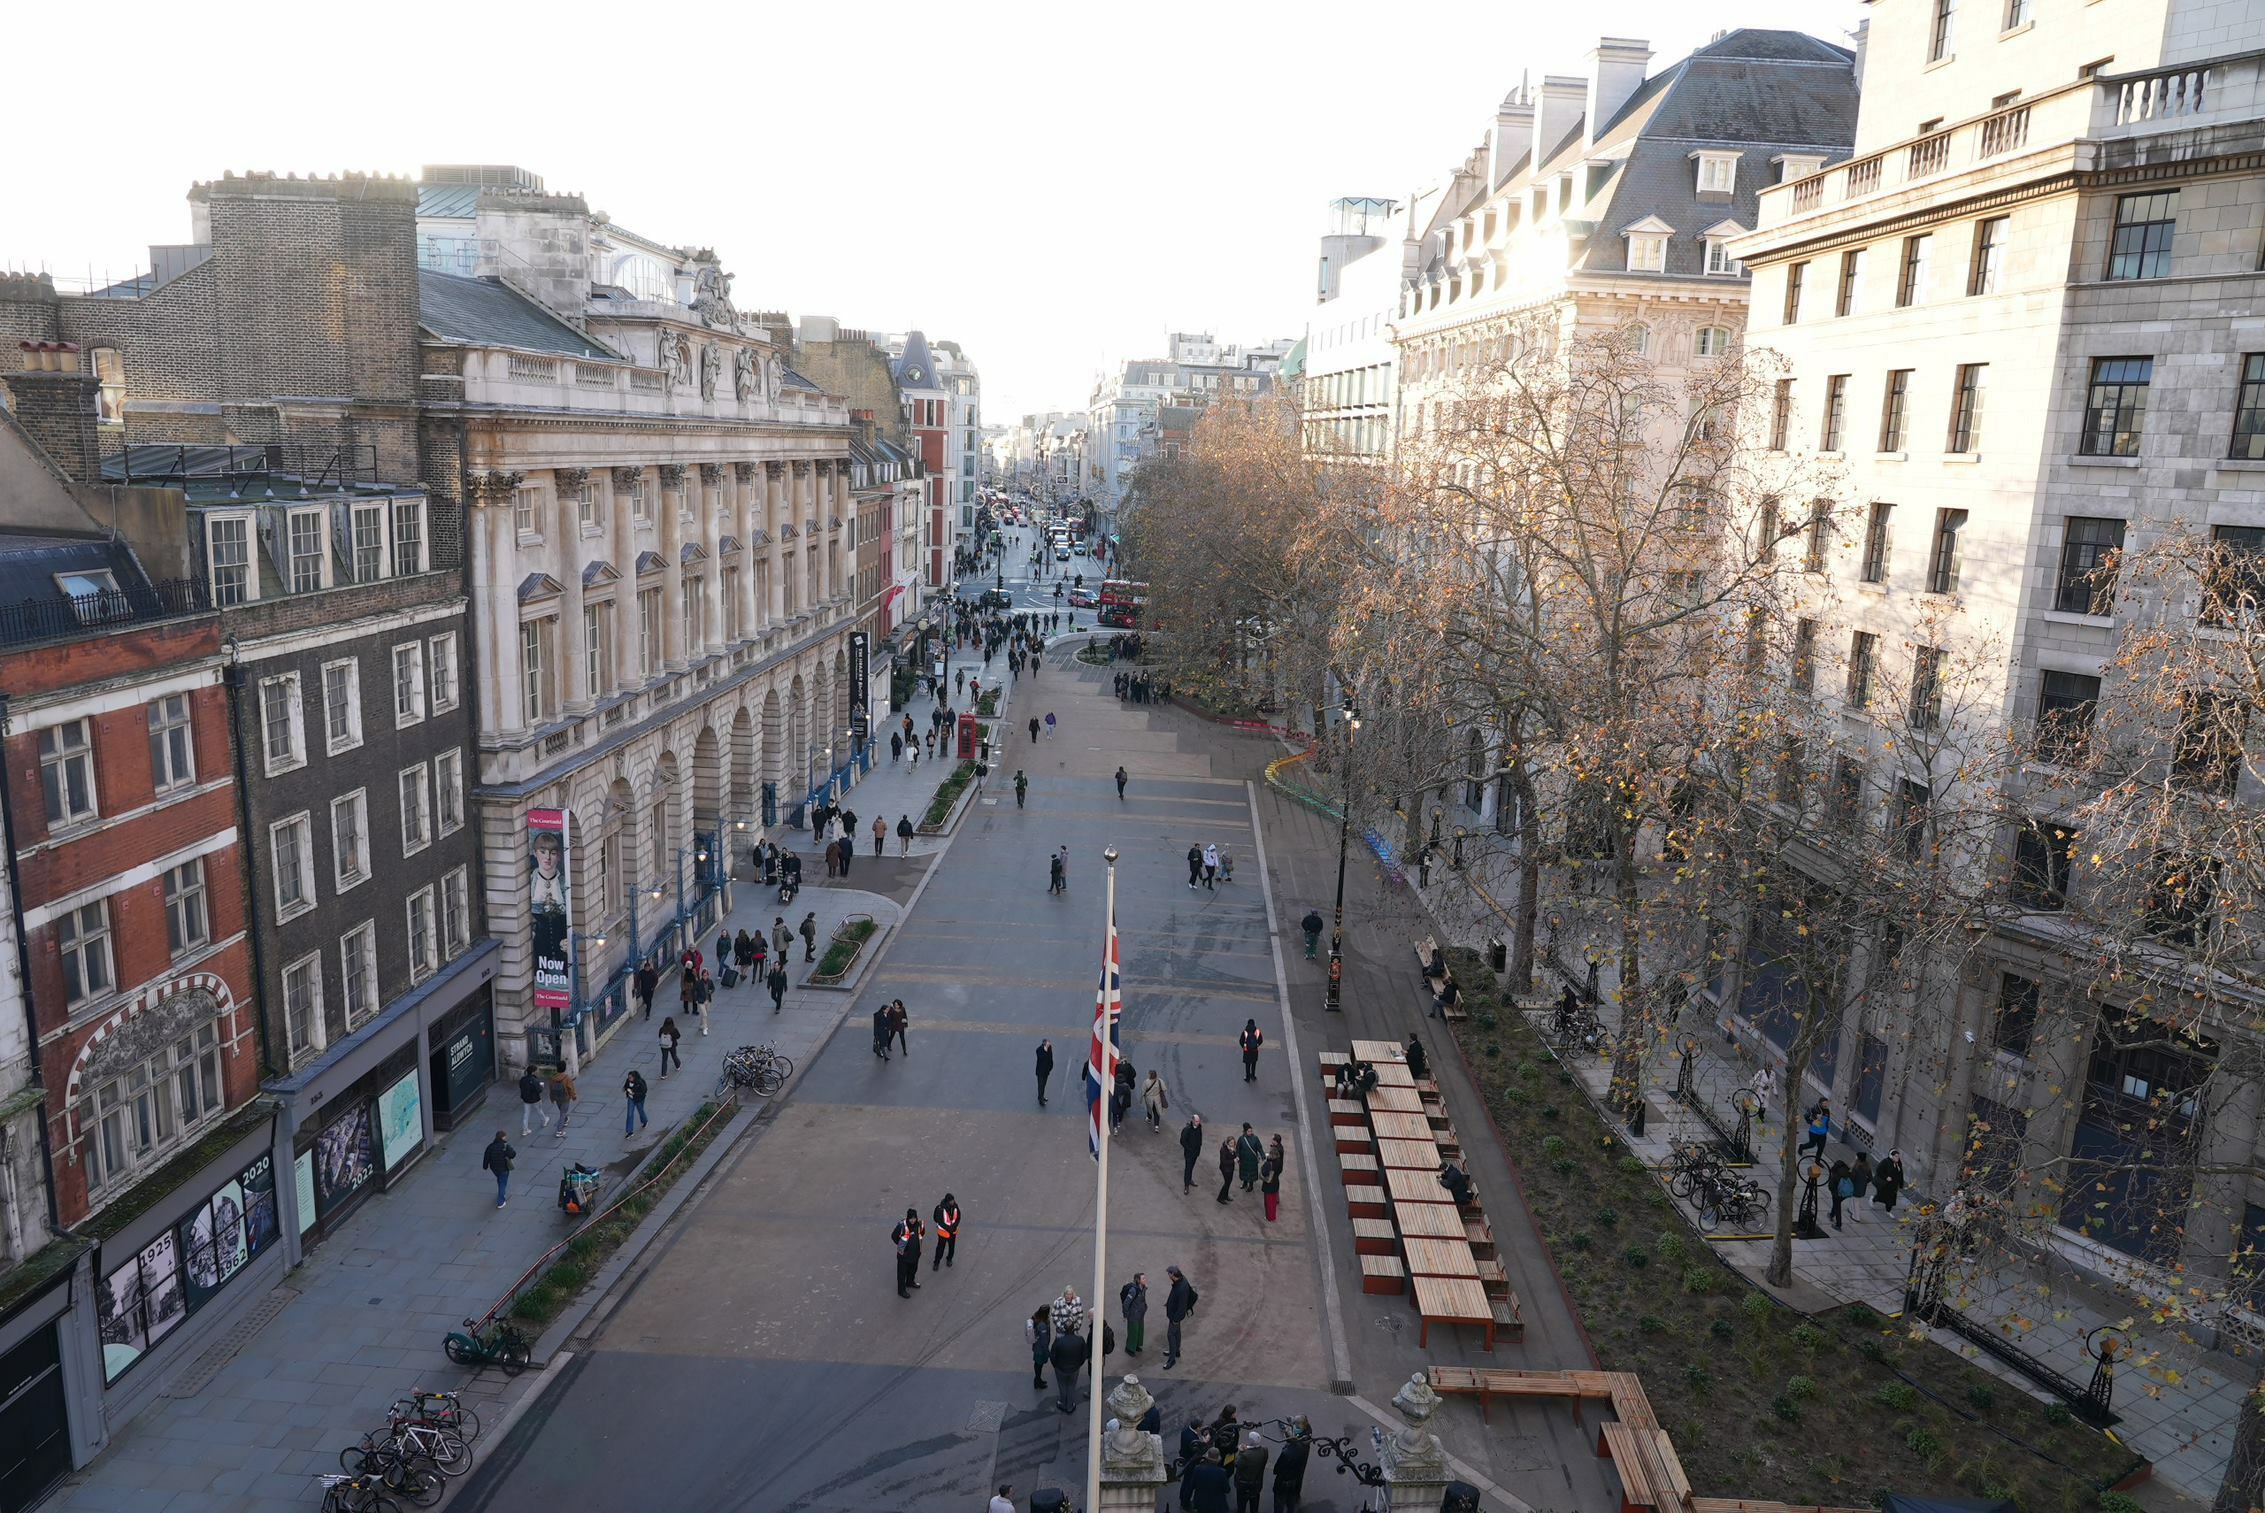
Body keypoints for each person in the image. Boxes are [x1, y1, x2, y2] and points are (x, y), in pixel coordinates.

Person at [1047, 1325, 1089, 1415]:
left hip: (1061, 1368)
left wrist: (1056, 1366)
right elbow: (1084, 1354)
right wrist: (1078, 1364)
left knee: (1062, 1385)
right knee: (1071, 1386)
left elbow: (1053, 1355)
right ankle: (1070, 1405)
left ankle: (1063, 1402)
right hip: (1074, 1368)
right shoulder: (1080, 1340)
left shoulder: (1059, 1341)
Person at [1271, 1419, 1311, 1512]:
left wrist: (1276, 1471)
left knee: (1279, 1502)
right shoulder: (1301, 1448)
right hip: (1293, 1480)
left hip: (1283, 1481)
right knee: (1291, 1501)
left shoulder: (1286, 1453)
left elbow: (1278, 1468)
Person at [1162, 1264, 1197, 1369]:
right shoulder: (1181, 1280)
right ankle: (1176, 1351)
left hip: (1175, 1316)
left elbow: (1182, 1306)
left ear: (1173, 1274)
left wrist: (1176, 1319)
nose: (1168, 1275)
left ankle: (1171, 1360)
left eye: (1169, 1273)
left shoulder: (1181, 1288)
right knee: (1177, 1332)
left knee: (1170, 1335)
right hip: (1175, 1314)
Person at [892, 1208, 925, 1297]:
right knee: (902, 1274)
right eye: (911, 1218)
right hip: (904, 1255)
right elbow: (894, 1237)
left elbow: (921, 1234)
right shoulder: (902, 1226)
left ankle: (910, 1282)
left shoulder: (919, 1224)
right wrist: (902, 1246)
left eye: (914, 1218)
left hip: (915, 1254)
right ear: (908, 1218)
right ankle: (901, 1290)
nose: (913, 1220)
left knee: (913, 1270)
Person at [1234, 1434, 1269, 1513]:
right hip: (1257, 1484)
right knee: (1254, 1505)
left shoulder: (1245, 1455)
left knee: (1241, 1506)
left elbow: (1236, 1464)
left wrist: (1240, 1452)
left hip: (1243, 1485)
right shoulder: (1264, 1450)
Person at [481, 1130, 515, 1208]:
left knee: (500, 1179)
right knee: (503, 1183)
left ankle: (501, 1192)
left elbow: (486, 1157)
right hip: (504, 1168)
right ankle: (501, 1201)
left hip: (494, 1168)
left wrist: (485, 1166)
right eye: (505, 1136)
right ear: (502, 1137)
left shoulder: (490, 1146)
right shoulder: (505, 1146)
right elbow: (513, 1154)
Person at [1119, 1272, 1149, 1357]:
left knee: (1139, 1330)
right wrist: (1125, 1315)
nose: (1145, 1279)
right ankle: (1129, 1348)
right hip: (1133, 1315)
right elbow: (1126, 1304)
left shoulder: (1143, 1287)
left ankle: (1136, 1345)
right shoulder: (1133, 1290)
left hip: (1140, 1314)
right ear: (1138, 1280)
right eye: (1143, 1278)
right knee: (1133, 1331)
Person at [1026, 1305, 1052, 1390]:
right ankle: (1037, 1381)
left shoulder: (1036, 1318)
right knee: (1039, 1365)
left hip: (1037, 1347)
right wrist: (1047, 1352)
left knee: (1037, 1364)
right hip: (1040, 1349)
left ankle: (1038, 1379)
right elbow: (1044, 1341)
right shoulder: (1042, 1325)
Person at [931, 1193, 960, 1269]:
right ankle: (936, 1262)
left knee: (951, 1247)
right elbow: (939, 1221)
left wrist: (954, 1226)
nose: (953, 1202)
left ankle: (949, 1259)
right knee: (940, 1248)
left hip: (952, 1231)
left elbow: (958, 1217)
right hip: (943, 1233)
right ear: (947, 1201)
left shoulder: (955, 1207)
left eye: (953, 1200)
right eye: (951, 1201)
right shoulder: (940, 1209)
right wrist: (949, 1228)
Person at [1874, 1149, 1906, 1214]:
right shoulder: (1885, 1162)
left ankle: (1888, 1211)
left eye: (1898, 1156)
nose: (1898, 1158)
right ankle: (1873, 1200)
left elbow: (1901, 1173)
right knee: (1881, 1196)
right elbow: (1879, 1170)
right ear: (1892, 1156)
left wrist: (1901, 1184)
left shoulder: (1898, 1163)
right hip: (1886, 1184)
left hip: (1894, 1185)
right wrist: (1886, 1177)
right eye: (1896, 1156)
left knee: (1891, 1198)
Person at [518, 1067, 548, 1134]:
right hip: (535, 1099)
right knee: (539, 1110)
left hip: (526, 1099)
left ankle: (525, 1130)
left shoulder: (523, 1079)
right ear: (533, 1072)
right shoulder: (534, 1080)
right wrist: (541, 1087)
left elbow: (520, 1086)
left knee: (526, 1114)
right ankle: (544, 1121)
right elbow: (539, 1090)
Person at [1179, 1113, 1204, 1192]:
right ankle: (1186, 1185)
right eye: (1196, 1121)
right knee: (1188, 1168)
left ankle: (1189, 1180)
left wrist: (1199, 1146)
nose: (1198, 1123)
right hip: (1189, 1154)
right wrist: (1189, 1149)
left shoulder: (1199, 1127)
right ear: (1192, 1121)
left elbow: (1200, 1137)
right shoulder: (1187, 1129)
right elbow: (1182, 1141)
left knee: (1191, 1167)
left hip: (1195, 1153)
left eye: (1198, 1121)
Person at [548, 1070, 577, 1135]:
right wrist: (573, 1096)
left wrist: (552, 1098)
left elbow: (551, 1089)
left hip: (557, 1098)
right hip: (565, 1098)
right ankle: (559, 1131)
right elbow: (570, 1088)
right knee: (563, 1113)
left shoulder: (553, 1078)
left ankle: (565, 1119)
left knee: (562, 1111)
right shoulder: (567, 1078)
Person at [1236, 1123, 1264, 1191]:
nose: (1250, 1132)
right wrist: (1237, 1156)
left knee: (1251, 1173)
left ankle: (1251, 1186)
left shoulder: (1255, 1138)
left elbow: (1259, 1147)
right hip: (1244, 1160)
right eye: (1249, 1131)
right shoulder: (1241, 1139)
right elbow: (1238, 1148)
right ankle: (1245, 1183)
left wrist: (1262, 1155)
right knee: (1244, 1172)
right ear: (1245, 1131)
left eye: (1251, 1131)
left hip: (1252, 1160)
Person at [1848, 1151, 1874, 1224]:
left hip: (1855, 1187)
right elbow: (1871, 1178)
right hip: (1862, 1188)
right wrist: (1865, 1182)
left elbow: (1852, 1178)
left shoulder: (1856, 1167)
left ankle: (1856, 1217)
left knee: (1855, 1201)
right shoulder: (1867, 1166)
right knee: (1855, 1200)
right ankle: (1851, 1210)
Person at [622, 1068, 649, 1137]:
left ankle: (644, 1121)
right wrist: (625, 1089)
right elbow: (625, 1086)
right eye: (628, 1077)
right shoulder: (628, 1081)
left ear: (634, 1077)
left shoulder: (640, 1082)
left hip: (639, 1100)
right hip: (631, 1099)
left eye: (630, 1077)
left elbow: (644, 1092)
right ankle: (629, 1131)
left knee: (640, 1111)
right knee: (629, 1114)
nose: (629, 1079)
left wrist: (634, 1093)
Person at [1260, 1145, 1283, 1224]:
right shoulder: (1279, 1161)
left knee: (1268, 1202)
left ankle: (1269, 1217)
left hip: (1268, 1185)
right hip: (1275, 1183)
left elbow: (1264, 1172)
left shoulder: (1268, 1163)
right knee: (1273, 1202)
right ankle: (1273, 1216)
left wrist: (1265, 1162)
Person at [1828, 1158, 1852, 1229]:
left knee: (1837, 1207)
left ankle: (1838, 1224)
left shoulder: (1836, 1175)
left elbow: (1831, 1186)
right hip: (1845, 1193)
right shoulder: (1847, 1172)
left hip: (1837, 1193)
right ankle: (1832, 1214)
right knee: (1836, 1203)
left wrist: (1833, 1191)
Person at [1035, 1039, 1055, 1105]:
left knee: (1043, 1085)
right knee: (1041, 1086)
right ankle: (1041, 1100)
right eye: (1048, 1044)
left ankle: (1041, 1096)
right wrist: (1045, 1051)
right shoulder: (1039, 1050)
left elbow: (1050, 1058)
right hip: (1040, 1072)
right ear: (1044, 1044)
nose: (1049, 1044)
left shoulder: (1049, 1049)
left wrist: (1050, 1067)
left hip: (1046, 1072)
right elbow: (1041, 1057)